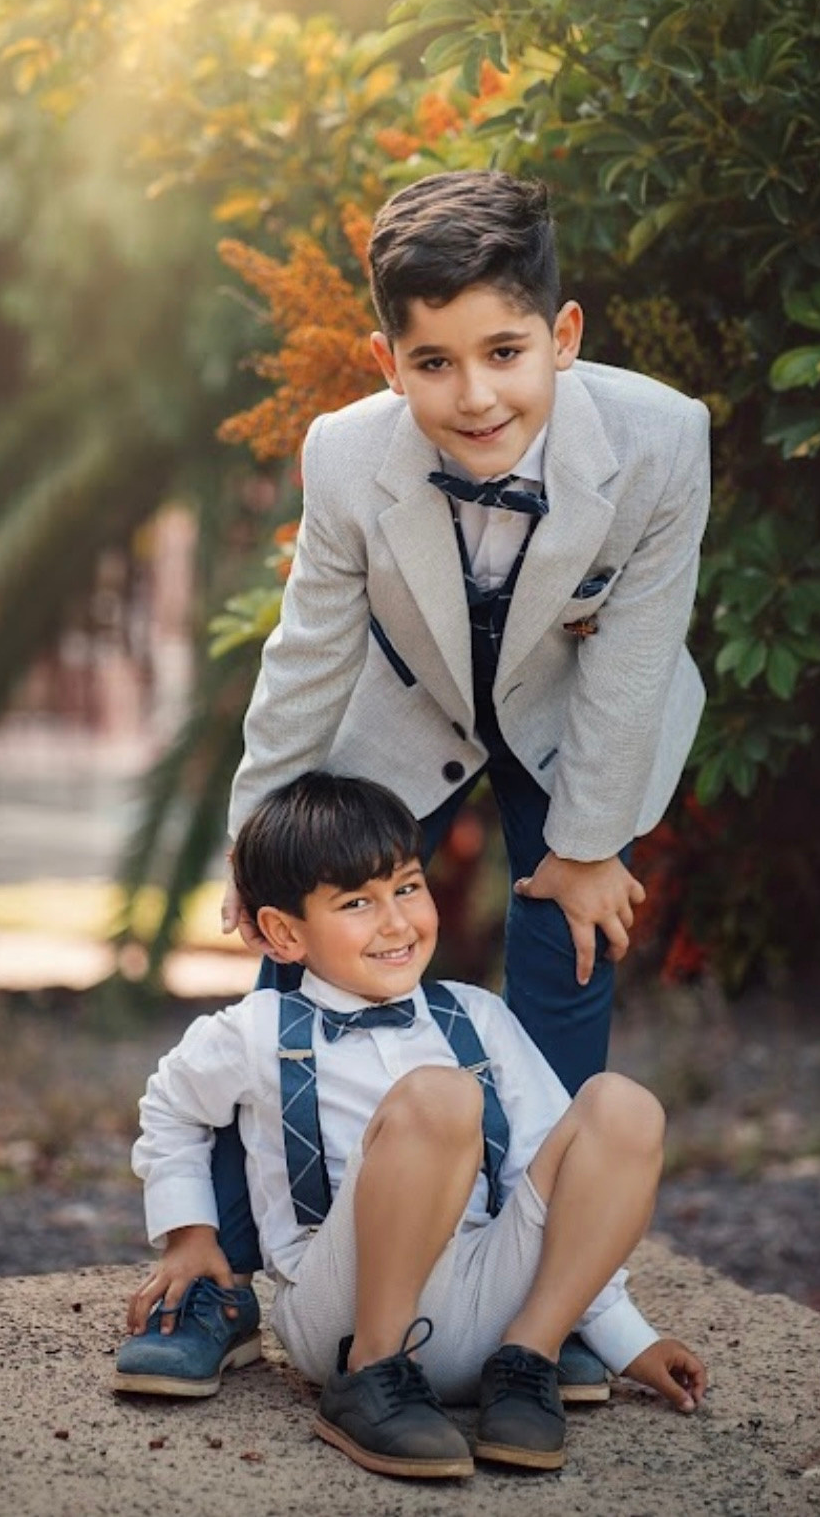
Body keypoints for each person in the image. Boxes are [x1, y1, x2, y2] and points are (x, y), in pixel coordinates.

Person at [220, 168, 711, 1096]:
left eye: (503, 352)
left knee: (569, 933)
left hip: (578, 714)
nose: (475, 396)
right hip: (413, 702)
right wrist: (257, 852)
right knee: (303, 914)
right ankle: (252, 1208)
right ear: (386, 362)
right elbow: (309, 656)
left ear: (561, 337)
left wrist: (587, 849)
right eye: (435, 364)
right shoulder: (345, 454)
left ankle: (541, 1216)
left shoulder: (662, 441)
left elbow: (635, 655)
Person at [116, 773, 707, 1480]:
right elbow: (171, 1108)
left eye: (405, 887)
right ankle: (371, 1378)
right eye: (357, 903)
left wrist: (621, 1335)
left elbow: (550, 1179)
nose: (395, 922)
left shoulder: (474, 1017)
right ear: (282, 932)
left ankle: (530, 1360)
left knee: (622, 1106)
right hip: (345, 1315)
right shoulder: (255, 1033)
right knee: (440, 1098)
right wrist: (188, 1236)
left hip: (490, 1313)